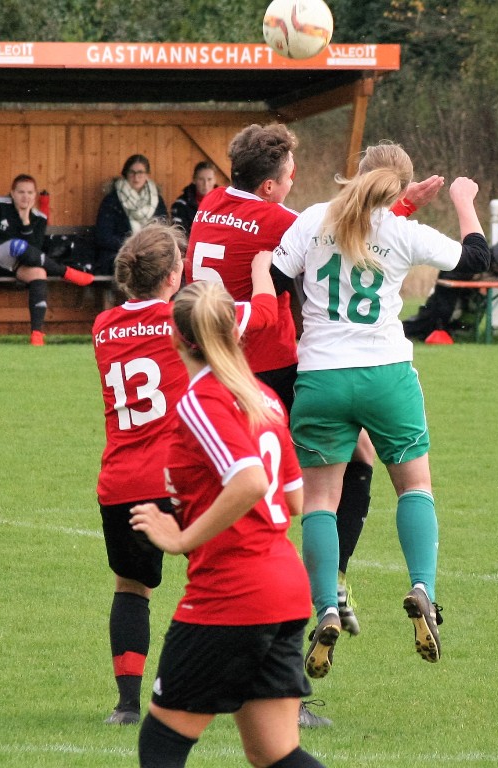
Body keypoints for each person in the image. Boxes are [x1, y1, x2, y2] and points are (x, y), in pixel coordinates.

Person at [185, 124, 444, 646]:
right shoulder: (277, 220)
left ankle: (326, 587)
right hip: (268, 363)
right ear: (269, 187)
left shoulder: (210, 204)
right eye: (288, 176)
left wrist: (396, 206)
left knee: (355, 458)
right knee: (307, 494)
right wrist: (401, 209)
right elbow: (350, 234)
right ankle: (328, 589)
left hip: (216, 359)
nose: (292, 182)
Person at [270, 141, 490, 678]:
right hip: (386, 373)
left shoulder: (313, 219)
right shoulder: (400, 231)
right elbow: (478, 261)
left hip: (321, 373)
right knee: (414, 487)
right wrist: (463, 200)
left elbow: (276, 282)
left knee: (321, 500)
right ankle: (422, 589)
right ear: (398, 188)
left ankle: (324, 606)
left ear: (358, 176)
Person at [128, 280, 326, 768]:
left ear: (176, 340)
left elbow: (251, 480)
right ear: (236, 332)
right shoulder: (262, 396)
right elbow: (296, 498)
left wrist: (181, 538)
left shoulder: (204, 401)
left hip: (233, 592)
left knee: (161, 741)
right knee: (274, 753)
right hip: (284, 589)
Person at [93, 223, 279, 726]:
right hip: (184, 478)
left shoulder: (103, 327)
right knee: (233, 581)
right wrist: (261, 271)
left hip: (120, 481)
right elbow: (261, 315)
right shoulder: (183, 321)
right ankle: (262, 697)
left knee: (131, 587)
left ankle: (127, 704)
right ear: (175, 274)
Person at [0, 174, 95, 345]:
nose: (25, 196)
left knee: (39, 272)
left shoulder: (38, 218)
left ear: (35, 195)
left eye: (29, 193)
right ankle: (64, 271)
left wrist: (25, 221)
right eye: (21, 192)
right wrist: (10, 246)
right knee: (17, 245)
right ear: (12, 193)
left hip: (16, 264)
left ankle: (37, 334)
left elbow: (34, 249)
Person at [95, 154, 169, 274]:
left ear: (147, 175)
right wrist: (132, 247)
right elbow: (103, 236)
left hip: (149, 254)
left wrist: (147, 249)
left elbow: (163, 231)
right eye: (132, 172)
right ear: (125, 174)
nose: (136, 177)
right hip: (119, 253)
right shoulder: (112, 200)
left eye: (140, 172)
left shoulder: (157, 200)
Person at [170, 161, 217, 233]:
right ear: (194, 180)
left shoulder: (225, 203)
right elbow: (179, 234)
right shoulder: (181, 204)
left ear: (215, 180)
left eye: (209, 179)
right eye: (201, 179)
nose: (206, 184)